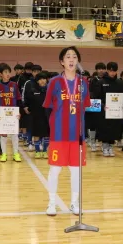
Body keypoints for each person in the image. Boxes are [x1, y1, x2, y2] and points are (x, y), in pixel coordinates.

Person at [43, 46, 91, 216]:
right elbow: (48, 107)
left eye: (74, 56)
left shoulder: (84, 83)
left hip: (77, 135)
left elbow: (85, 106)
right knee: (55, 170)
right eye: (68, 56)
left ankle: (74, 203)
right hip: (59, 134)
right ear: (62, 62)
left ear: (78, 61)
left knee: (76, 171)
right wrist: (54, 126)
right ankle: (51, 203)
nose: (71, 59)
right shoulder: (54, 82)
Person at [0, 63, 22, 163]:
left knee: (14, 135)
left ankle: (16, 153)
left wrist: (19, 112)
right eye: (5, 72)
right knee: (3, 135)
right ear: (0, 74)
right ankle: (4, 154)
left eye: (9, 72)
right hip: (3, 114)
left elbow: (18, 99)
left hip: (13, 113)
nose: (8, 74)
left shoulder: (14, 85)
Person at [96, 62, 123, 157]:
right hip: (104, 111)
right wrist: (103, 105)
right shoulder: (101, 82)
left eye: (114, 71)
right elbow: (97, 97)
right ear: (107, 70)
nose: (112, 73)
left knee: (114, 128)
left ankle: (111, 147)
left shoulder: (119, 82)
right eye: (110, 71)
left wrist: (122, 105)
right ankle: (105, 147)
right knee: (104, 128)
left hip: (115, 111)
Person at [23, 71, 50, 159]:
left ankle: (45, 151)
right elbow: (27, 101)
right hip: (36, 116)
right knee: (36, 134)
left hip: (47, 115)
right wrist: (26, 107)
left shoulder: (50, 91)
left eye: (44, 79)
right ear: (37, 81)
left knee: (47, 135)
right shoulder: (33, 90)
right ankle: (37, 151)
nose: (42, 81)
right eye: (40, 79)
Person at [86, 63, 106, 151]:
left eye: (103, 69)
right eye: (99, 69)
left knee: (103, 125)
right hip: (95, 104)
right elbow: (90, 92)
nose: (101, 70)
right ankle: (92, 142)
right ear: (96, 70)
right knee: (93, 125)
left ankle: (103, 144)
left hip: (105, 105)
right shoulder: (93, 80)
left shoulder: (106, 79)